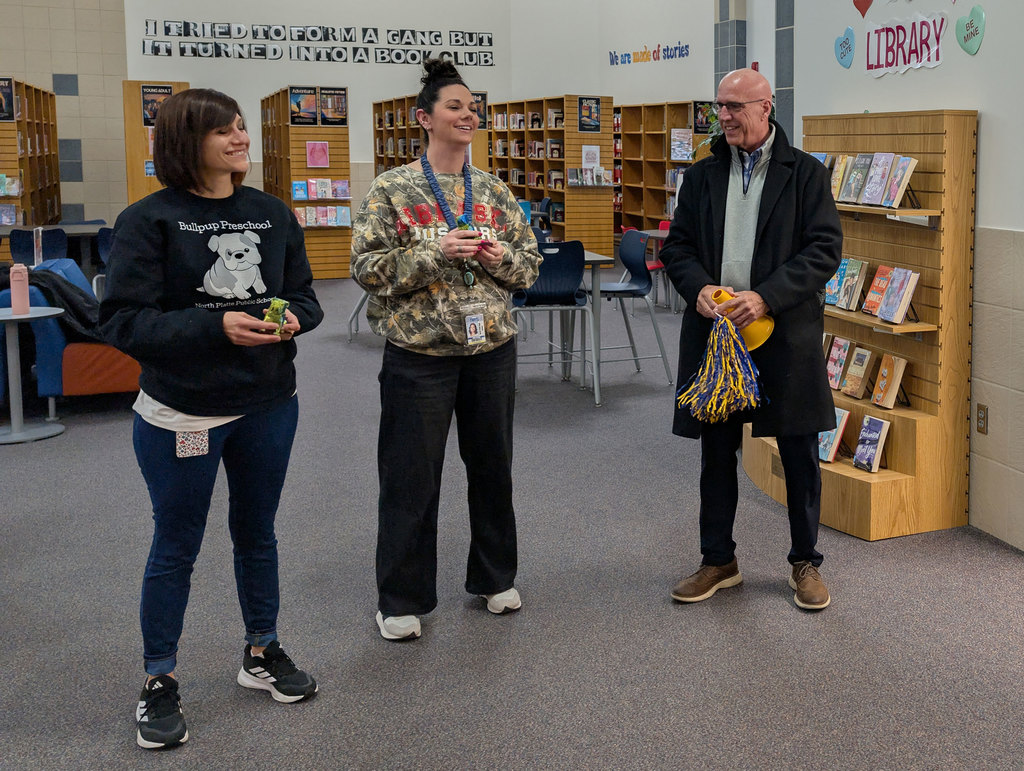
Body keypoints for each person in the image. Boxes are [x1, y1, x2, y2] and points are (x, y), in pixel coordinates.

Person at [99, 88, 324, 749]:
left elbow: (308, 298)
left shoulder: (272, 213)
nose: (239, 138)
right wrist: (215, 323)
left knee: (258, 534)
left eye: (240, 127)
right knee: (177, 545)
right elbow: (122, 322)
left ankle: (262, 650)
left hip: (268, 405)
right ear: (183, 141)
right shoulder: (148, 220)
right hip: (182, 412)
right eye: (221, 130)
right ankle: (159, 679)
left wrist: (289, 318)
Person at [351, 59, 541, 641]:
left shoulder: (493, 189)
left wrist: (493, 258)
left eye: (472, 107)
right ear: (424, 118)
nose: (467, 114)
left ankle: (494, 577)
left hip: (491, 352)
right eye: (454, 106)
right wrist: (438, 253)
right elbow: (366, 269)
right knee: (411, 475)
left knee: (493, 468)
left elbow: (529, 267)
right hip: (420, 357)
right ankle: (402, 597)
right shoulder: (393, 188)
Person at [659, 69, 842, 611]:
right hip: (717, 336)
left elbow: (823, 251)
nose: (725, 117)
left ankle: (804, 561)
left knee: (799, 450)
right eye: (720, 106)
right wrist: (698, 290)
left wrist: (765, 297)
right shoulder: (701, 176)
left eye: (736, 106)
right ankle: (718, 560)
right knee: (716, 453)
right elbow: (679, 248)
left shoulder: (806, 174)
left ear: (767, 107)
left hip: (784, 333)